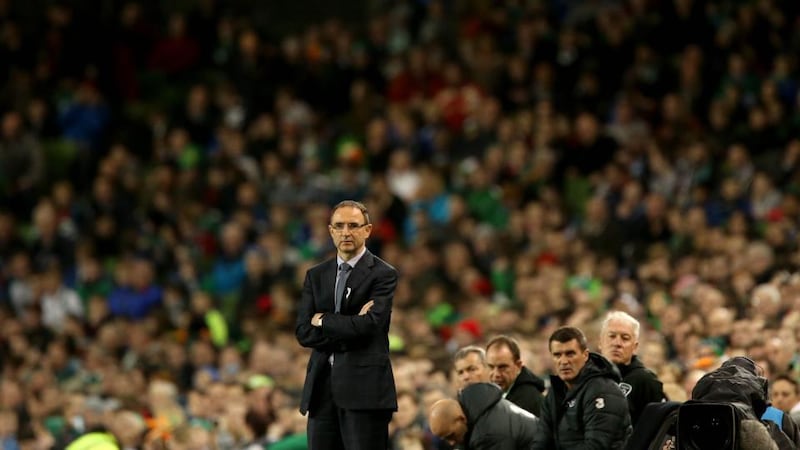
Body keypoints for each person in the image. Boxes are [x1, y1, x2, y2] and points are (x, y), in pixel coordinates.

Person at [295, 200, 399, 450]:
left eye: (353, 225)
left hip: (365, 392)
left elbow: (370, 327)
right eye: (339, 226)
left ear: (367, 230)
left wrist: (324, 320)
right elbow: (303, 332)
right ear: (330, 231)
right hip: (321, 391)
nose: (346, 232)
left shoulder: (383, 274)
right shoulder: (315, 275)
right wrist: (351, 325)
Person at [533, 326, 632, 450]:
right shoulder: (554, 393)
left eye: (570, 354)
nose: (563, 361)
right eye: (557, 355)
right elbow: (541, 442)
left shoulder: (603, 391)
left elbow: (596, 446)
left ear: (585, 355)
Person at [598, 311, 666, 425]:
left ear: (635, 347)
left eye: (625, 338)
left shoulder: (645, 381)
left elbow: (661, 425)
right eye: (612, 336)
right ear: (600, 342)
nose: (617, 343)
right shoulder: (586, 377)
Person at [428, 382, 539, 450]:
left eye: (451, 436)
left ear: (461, 419)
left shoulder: (488, 434)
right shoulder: (476, 406)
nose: (451, 443)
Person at [485, 335, 546, 415]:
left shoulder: (530, 400)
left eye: (502, 367)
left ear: (518, 366)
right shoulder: (491, 396)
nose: (496, 374)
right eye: (491, 367)